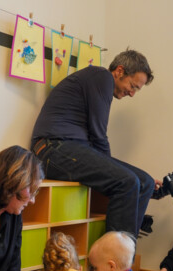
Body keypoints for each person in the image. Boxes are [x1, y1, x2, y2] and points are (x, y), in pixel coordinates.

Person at [30, 49, 159, 237]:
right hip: (51, 148)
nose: (132, 93)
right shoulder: (102, 77)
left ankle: (127, 246)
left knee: (145, 182)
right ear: (119, 71)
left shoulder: (98, 82)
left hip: (71, 149)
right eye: (133, 86)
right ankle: (116, 254)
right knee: (127, 181)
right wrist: (115, 171)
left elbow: (95, 141)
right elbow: (99, 135)